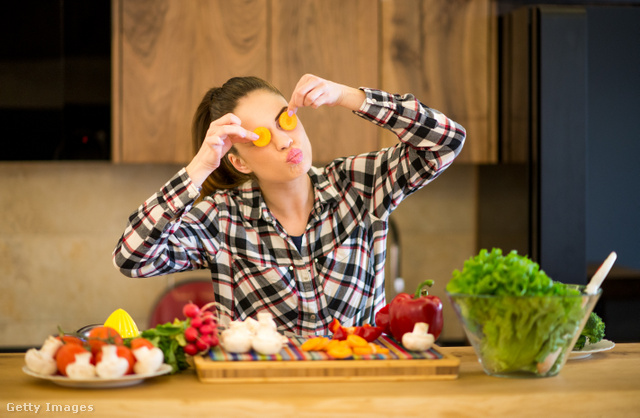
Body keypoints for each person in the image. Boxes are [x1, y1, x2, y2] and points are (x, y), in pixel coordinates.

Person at [113, 74, 466, 336]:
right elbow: (132, 258)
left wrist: (348, 96)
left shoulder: (358, 186)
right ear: (240, 163)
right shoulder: (222, 218)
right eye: (262, 137)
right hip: (262, 397)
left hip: (360, 391)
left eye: (286, 120)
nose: (285, 141)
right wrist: (199, 167)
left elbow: (446, 142)